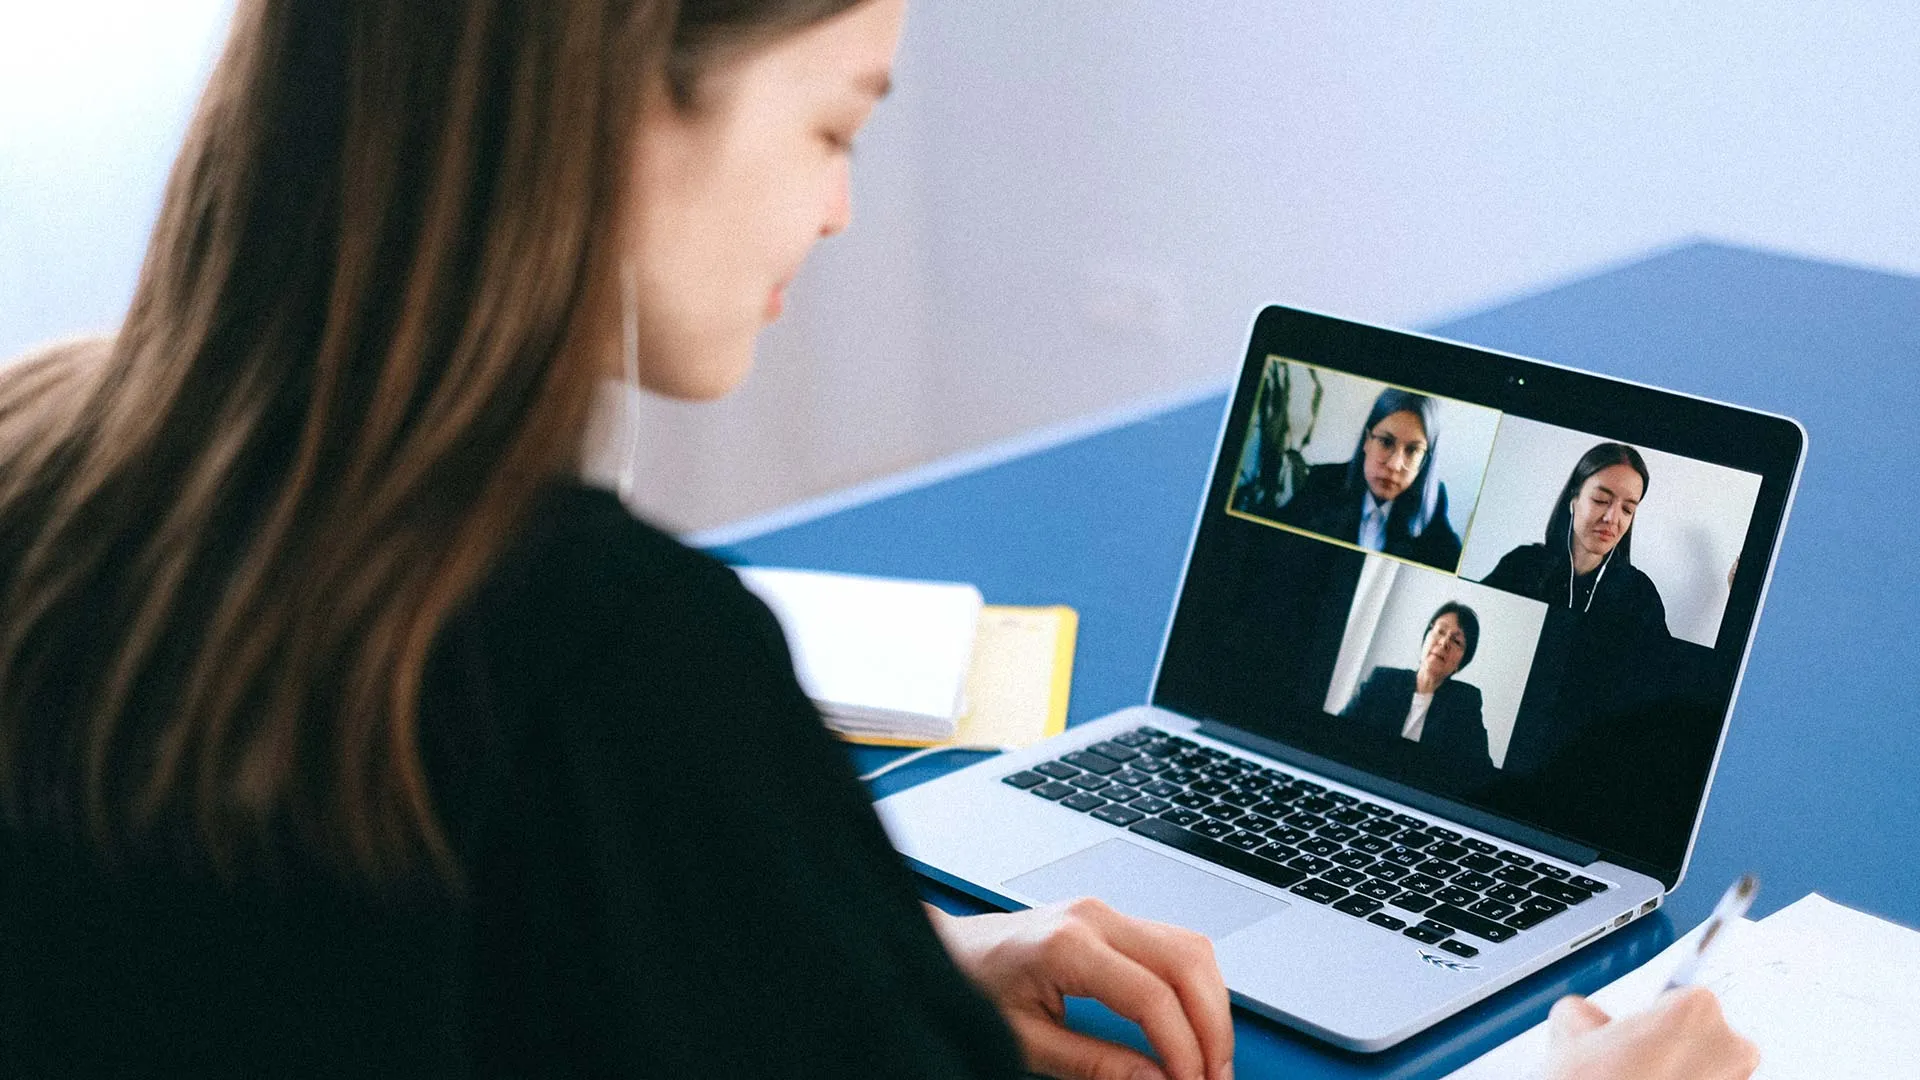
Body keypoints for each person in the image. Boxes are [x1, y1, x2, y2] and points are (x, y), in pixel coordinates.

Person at [0, 2, 1756, 1078]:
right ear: (619, 89)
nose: (842, 203)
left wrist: (872, 968)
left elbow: (364, 979)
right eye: (836, 118)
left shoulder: (45, 461)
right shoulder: (613, 666)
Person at [1480, 442, 1669, 634]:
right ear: (1574, 499)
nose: (1612, 518)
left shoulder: (1639, 595)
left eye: (1627, 509)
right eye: (1600, 500)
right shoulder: (1521, 566)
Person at [1276, 388, 1464, 571]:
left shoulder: (1432, 503)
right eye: (1386, 442)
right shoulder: (1324, 481)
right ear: (1367, 440)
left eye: (1413, 450)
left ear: (1425, 460)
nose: (1394, 464)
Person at [1342, 602, 1492, 771]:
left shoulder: (1464, 703)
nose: (1444, 643)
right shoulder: (1382, 681)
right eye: (1440, 631)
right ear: (1425, 638)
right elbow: (1339, 732)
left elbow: (1481, 770)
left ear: (1461, 663)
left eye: (1456, 641)